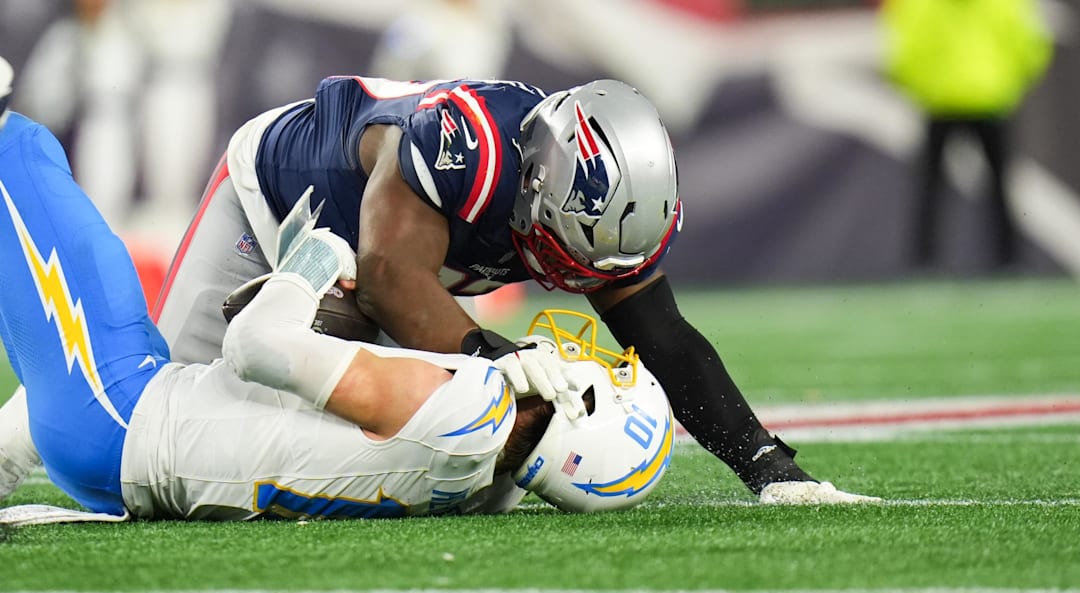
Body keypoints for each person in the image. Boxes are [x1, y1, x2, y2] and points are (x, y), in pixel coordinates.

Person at [142, 75, 877, 504]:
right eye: (567, 254)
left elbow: (664, 339)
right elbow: (390, 278)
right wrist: (506, 362)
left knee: (477, 471)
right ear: (533, 188)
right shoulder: (465, 147)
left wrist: (768, 467)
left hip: (385, 271)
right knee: (162, 410)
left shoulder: (585, 200)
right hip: (276, 206)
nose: (579, 279)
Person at [0, 80, 676, 520]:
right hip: (132, 465)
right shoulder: (490, 492)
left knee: (22, 149)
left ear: (582, 412)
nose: (591, 358)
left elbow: (257, 345)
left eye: (609, 377)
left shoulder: (474, 404)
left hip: (119, 414)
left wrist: (316, 258)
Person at [881, 0, 1053, 270]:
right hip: (986, 99)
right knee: (993, 187)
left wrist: (923, 87)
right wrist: (1007, 84)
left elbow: (902, 52)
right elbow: (1029, 46)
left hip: (945, 101)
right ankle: (1006, 260)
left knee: (933, 187)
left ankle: (925, 262)